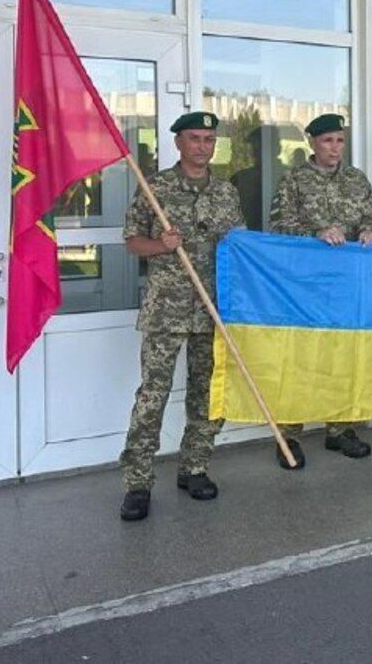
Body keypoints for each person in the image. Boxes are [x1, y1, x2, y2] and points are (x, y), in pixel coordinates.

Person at [118, 112, 245, 522]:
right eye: (195, 138)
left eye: (209, 139)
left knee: (207, 394)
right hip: (167, 310)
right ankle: (137, 482)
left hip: (212, 308)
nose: (203, 146)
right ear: (178, 143)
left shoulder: (226, 192)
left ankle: (194, 467)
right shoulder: (156, 187)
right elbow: (131, 242)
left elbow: (239, 246)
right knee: (152, 397)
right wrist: (160, 244)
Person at [268, 112, 372, 468]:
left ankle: (341, 429)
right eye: (328, 141)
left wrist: (369, 231)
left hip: (346, 285)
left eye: (340, 140)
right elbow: (279, 225)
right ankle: (289, 435)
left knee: (344, 356)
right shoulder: (295, 180)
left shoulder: (356, 179)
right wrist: (315, 233)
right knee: (300, 358)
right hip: (304, 285)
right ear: (312, 143)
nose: (335, 148)